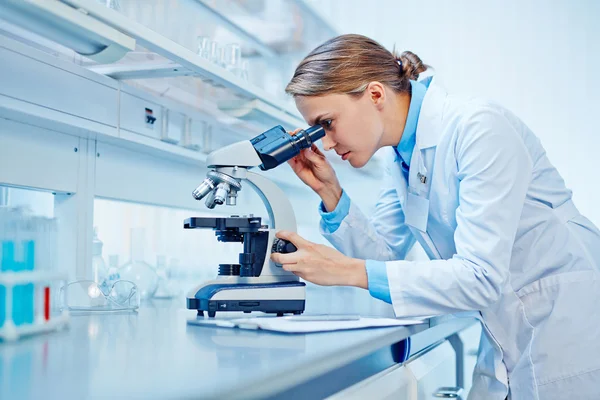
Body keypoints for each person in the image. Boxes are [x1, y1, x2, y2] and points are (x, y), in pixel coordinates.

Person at [270, 34, 600, 399]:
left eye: (327, 123)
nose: (327, 144)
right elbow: (384, 260)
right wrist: (330, 192)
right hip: (511, 332)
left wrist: (343, 270)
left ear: (375, 94)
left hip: (567, 333)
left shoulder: (479, 128)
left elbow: (480, 278)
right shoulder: (400, 158)